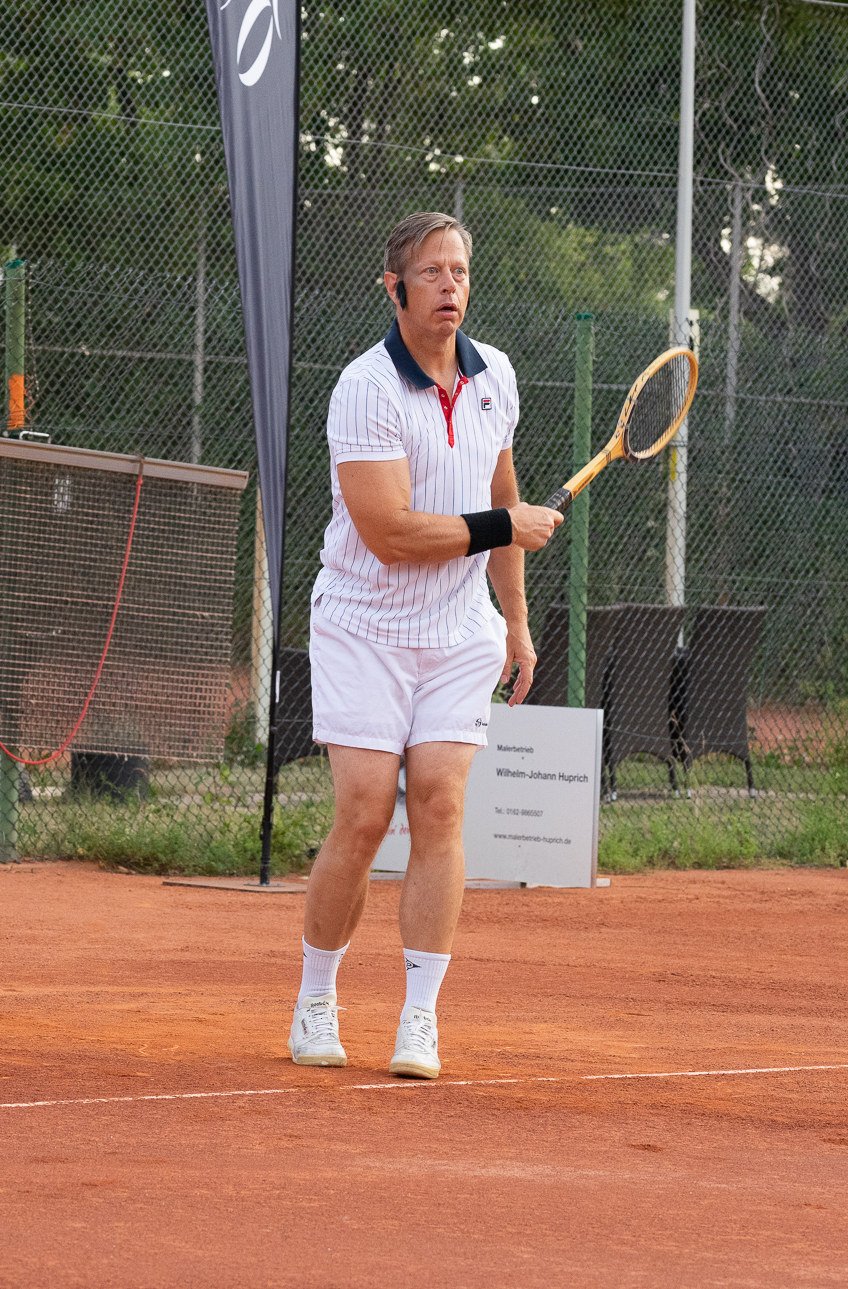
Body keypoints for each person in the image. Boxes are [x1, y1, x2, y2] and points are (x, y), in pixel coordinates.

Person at [287, 211, 562, 1079]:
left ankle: (419, 1018)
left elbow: (503, 495)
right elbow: (390, 533)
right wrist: (503, 526)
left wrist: (515, 620)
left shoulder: (495, 376)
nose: (450, 285)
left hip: (457, 630)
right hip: (363, 625)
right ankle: (316, 997)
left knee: (440, 806)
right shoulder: (364, 387)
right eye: (433, 271)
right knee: (367, 812)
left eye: (461, 271)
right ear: (395, 287)